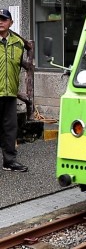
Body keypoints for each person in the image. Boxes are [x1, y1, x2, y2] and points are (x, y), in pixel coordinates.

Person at [0, 9, 28, 172]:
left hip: (10, 93)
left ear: (11, 22)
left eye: (4, 19)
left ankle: (9, 161)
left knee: (10, 128)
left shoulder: (18, 43)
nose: (1, 22)